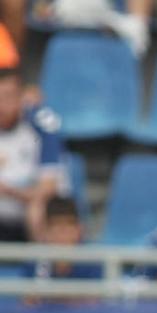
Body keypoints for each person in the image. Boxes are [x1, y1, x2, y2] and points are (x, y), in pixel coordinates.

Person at [0, 67, 64, 243]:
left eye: (7, 96)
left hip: (28, 211)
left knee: (37, 209)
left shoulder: (41, 126)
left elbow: (48, 189)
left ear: (22, 97)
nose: (1, 105)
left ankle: (42, 268)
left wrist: (10, 191)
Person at [23, 195, 102, 281]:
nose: (63, 235)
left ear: (79, 229)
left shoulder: (92, 262)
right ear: (45, 231)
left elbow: (96, 293)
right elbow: (29, 293)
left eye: (68, 226)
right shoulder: (36, 262)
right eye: (56, 227)